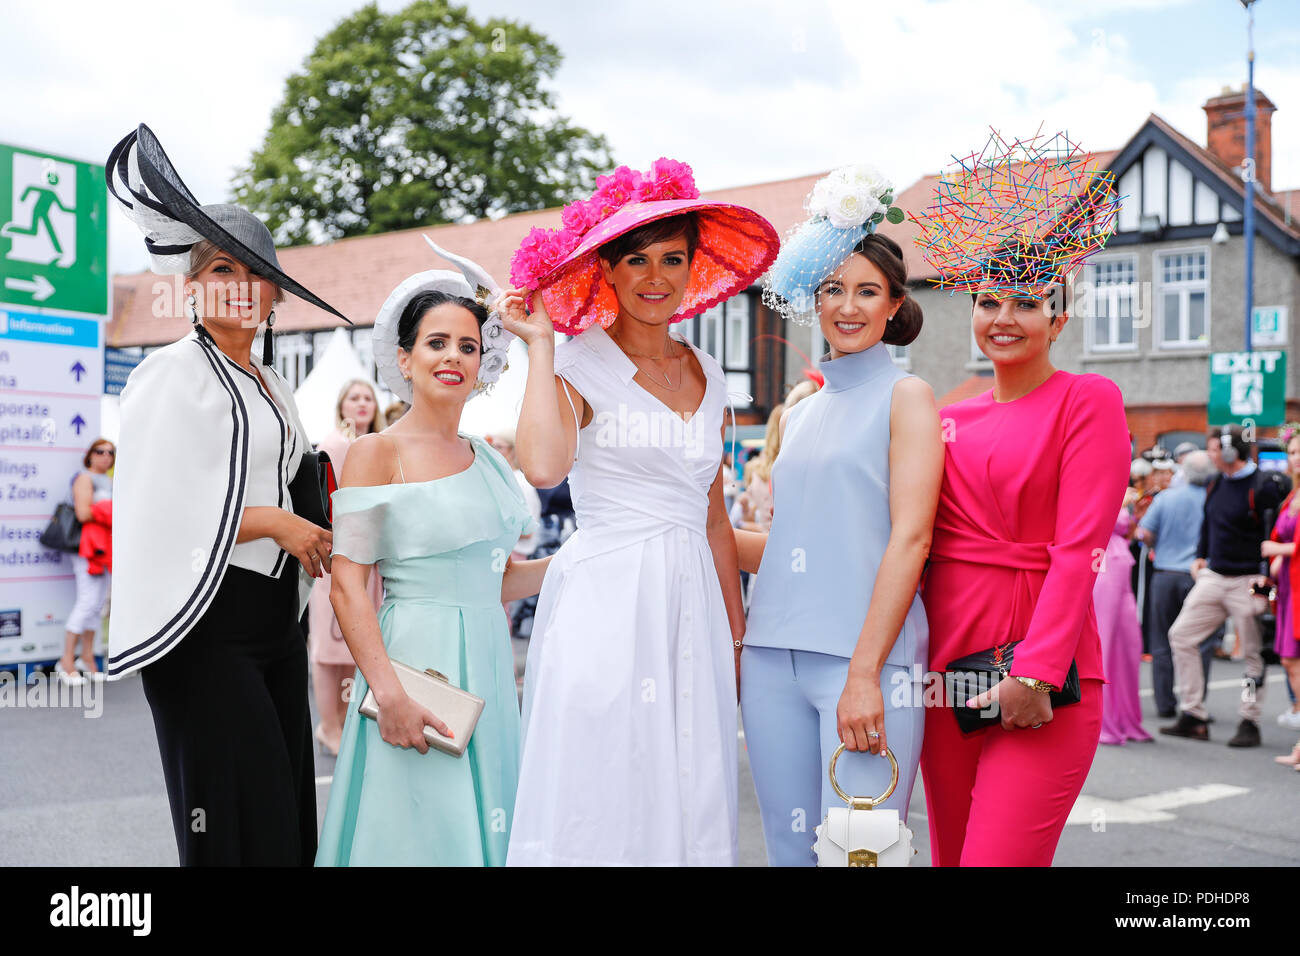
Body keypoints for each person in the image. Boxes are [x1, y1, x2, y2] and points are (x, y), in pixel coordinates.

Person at [498, 158, 779, 865]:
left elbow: (713, 515)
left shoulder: (711, 374)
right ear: (609, 272)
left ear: (691, 269)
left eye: (672, 259)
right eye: (637, 260)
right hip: (608, 597)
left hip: (696, 601)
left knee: (692, 775)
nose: (656, 277)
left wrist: (736, 630)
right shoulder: (579, 366)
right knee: (604, 775)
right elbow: (542, 466)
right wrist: (539, 349)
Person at [104, 124, 346, 865]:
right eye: (217, 269)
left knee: (283, 817)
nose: (238, 283)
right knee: (231, 821)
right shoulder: (165, 377)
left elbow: (306, 484)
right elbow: (153, 512)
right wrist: (274, 522)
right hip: (201, 624)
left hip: (276, 624)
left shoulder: (276, 387)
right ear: (192, 289)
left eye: (252, 270)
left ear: (273, 293)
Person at [909, 131, 1130, 866]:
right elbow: (907, 539)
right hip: (947, 673)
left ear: (1058, 319)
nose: (1003, 317)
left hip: (1048, 673)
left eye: (1027, 303)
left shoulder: (1087, 400)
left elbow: (1081, 549)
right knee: (949, 858)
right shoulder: (946, 413)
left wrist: (1033, 672)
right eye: (987, 300)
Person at [315, 245, 549, 866]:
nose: (453, 357)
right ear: (405, 357)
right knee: (414, 825)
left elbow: (491, 581)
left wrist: (573, 566)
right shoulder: (375, 453)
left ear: (483, 361)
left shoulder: (492, 458)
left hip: (490, 664)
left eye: (468, 346)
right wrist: (387, 693)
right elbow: (346, 588)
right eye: (437, 343)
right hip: (413, 662)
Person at [735, 166, 941, 866]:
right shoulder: (801, 410)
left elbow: (910, 541)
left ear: (893, 306)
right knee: (788, 851)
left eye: (866, 292)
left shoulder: (907, 396)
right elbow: (796, 542)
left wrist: (864, 674)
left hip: (866, 665)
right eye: (832, 290)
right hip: (770, 658)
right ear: (812, 299)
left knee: (862, 854)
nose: (847, 306)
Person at [1161, 424, 1285, 746]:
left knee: (1253, 655)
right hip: (1214, 577)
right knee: (1181, 636)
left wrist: (1267, 581)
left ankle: (1249, 719)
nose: (1210, 455)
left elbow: (1275, 533)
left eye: (1214, 449)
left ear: (1230, 452)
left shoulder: (1262, 486)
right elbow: (1208, 523)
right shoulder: (1215, 483)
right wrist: (1200, 556)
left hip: (1252, 580)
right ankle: (1193, 714)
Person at [307, 380, 387, 756]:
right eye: (353, 397)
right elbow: (325, 502)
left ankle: (343, 723)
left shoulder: (378, 444)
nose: (361, 403)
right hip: (339, 552)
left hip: (369, 557)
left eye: (368, 397)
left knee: (356, 643)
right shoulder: (335, 445)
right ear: (341, 405)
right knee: (330, 643)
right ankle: (329, 724)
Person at [1137, 450, 1218, 718]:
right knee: (1201, 643)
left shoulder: (1166, 498)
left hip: (1165, 574)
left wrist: (1157, 545)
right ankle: (1194, 703)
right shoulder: (1211, 499)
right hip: (1199, 575)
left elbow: (1145, 533)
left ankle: (1164, 703)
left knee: (1161, 640)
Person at [56, 438, 115, 684]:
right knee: (87, 600)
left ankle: (88, 658)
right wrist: (110, 512)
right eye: (99, 451)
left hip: (106, 547)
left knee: (97, 604)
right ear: (90, 455)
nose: (105, 456)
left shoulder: (111, 481)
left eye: (111, 452)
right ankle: (66, 661)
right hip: (87, 547)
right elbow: (83, 512)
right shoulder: (84, 478)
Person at [1094, 501, 1152, 745]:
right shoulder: (1095, 486)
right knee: (1104, 647)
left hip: (1120, 566)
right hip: (1103, 564)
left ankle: (1125, 718)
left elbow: (1127, 529)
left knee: (1129, 645)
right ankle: (1101, 720)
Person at [1265, 431, 1300, 762]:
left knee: (1292, 661)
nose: (1295, 457)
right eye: (1291, 451)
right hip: (1290, 587)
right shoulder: (1293, 495)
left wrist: (1277, 549)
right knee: (1290, 661)